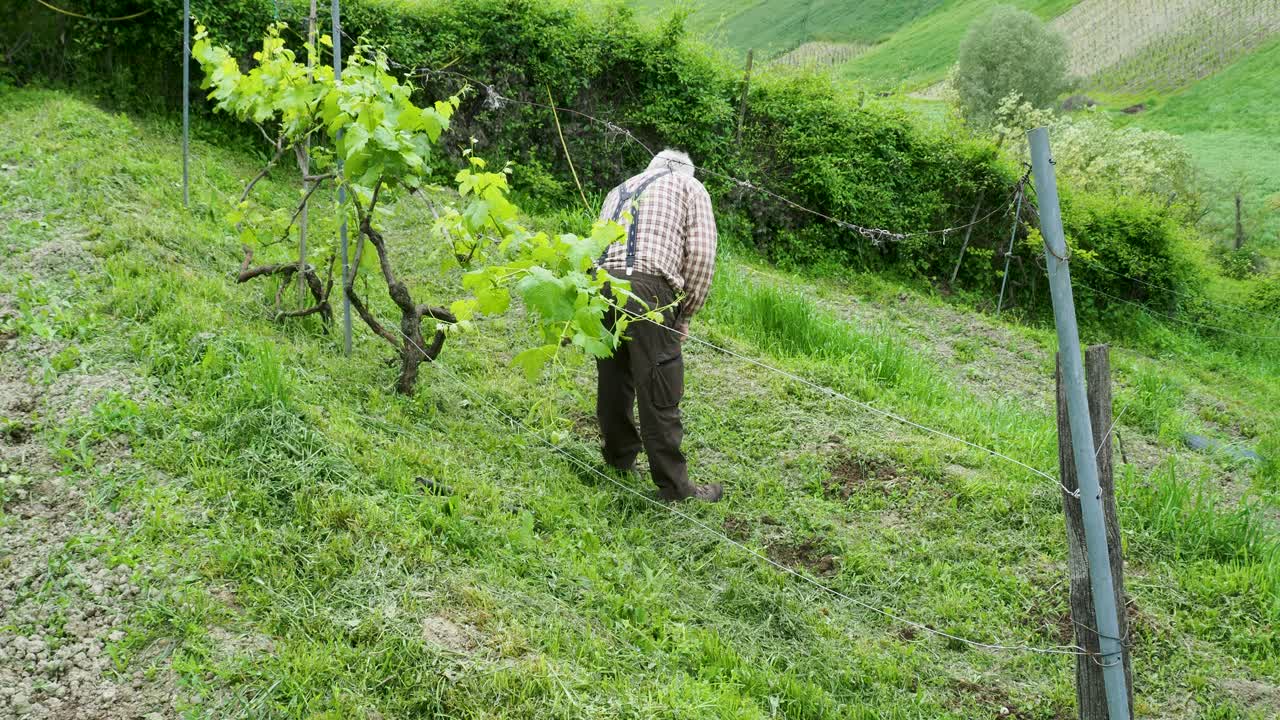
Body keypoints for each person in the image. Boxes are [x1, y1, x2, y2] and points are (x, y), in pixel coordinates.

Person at [595, 149, 722, 503]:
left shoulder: (620, 189)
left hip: (602, 283)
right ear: (687, 171)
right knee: (661, 386)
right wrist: (685, 314)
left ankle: (618, 458)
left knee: (614, 375)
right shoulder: (690, 187)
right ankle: (675, 488)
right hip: (651, 288)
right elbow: (701, 257)